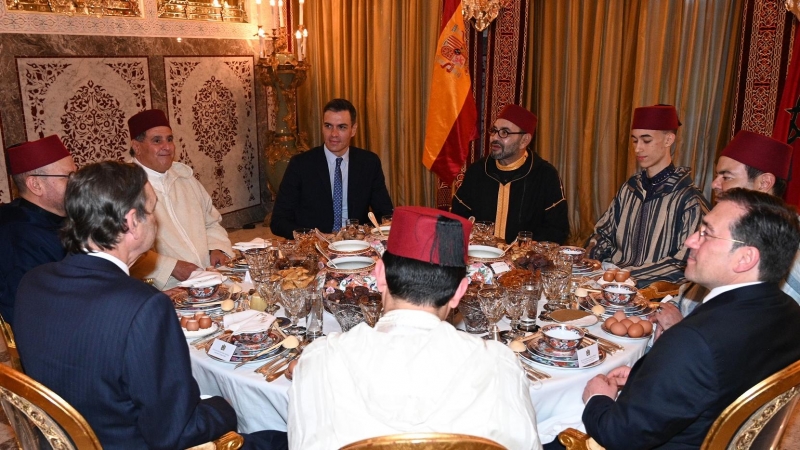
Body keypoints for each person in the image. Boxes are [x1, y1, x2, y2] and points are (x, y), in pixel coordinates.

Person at [15, 162, 238, 448]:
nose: (155, 220)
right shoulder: (144, 307)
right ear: (131, 222)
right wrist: (228, 407)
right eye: (151, 210)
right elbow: (175, 432)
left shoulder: (33, 282)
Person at [287, 206, 541, 449]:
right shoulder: (499, 365)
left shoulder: (320, 362)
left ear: (379, 276)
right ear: (459, 292)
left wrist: (309, 364)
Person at [580, 189, 800, 449]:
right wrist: (654, 378)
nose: (691, 241)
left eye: (706, 233)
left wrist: (597, 399)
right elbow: (720, 380)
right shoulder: (790, 312)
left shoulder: (693, 340)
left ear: (745, 258)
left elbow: (619, 435)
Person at [655, 130, 799, 333]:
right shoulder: (724, 223)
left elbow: (762, 336)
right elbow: (689, 294)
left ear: (764, 183)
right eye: (717, 175)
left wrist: (680, 330)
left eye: (726, 176)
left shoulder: (786, 244)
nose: (715, 184)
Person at [585, 105, 710, 287]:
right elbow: (604, 232)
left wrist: (625, 276)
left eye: (646, 140)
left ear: (668, 139)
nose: (638, 149)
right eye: (635, 141)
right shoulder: (630, 189)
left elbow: (684, 262)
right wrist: (591, 257)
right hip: (609, 283)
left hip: (654, 295)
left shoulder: (689, 199)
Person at [126, 109, 233, 289]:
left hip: (208, 276)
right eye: (157, 141)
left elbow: (211, 221)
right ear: (137, 146)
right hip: (162, 287)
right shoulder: (125, 187)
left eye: (169, 139)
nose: (167, 147)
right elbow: (125, 246)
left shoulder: (185, 178)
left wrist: (216, 248)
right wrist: (171, 267)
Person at [270, 98, 394, 239]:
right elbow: (278, 221)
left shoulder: (368, 163)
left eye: (341, 127)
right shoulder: (301, 164)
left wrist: (368, 235)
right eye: (328, 126)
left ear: (353, 130)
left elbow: (385, 214)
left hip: (356, 245)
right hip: (314, 247)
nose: (333, 134)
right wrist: (314, 236)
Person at [452, 104, 569, 244]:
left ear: (524, 140)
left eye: (504, 133)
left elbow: (557, 229)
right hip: (480, 258)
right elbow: (458, 218)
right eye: (494, 131)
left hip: (524, 263)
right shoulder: (477, 171)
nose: (494, 138)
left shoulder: (545, 175)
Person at [0, 135, 75, 326]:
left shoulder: (65, 218)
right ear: (35, 185)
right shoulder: (18, 235)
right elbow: (38, 315)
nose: (77, 184)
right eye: (68, 177)